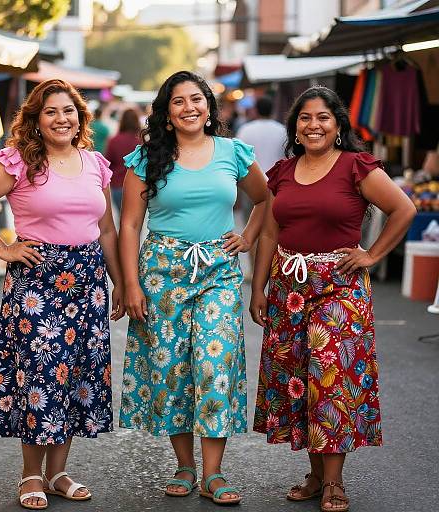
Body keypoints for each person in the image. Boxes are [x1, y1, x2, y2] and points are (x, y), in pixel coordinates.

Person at [0, 79, 124, 510]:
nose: (61, 119)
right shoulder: (17, 162)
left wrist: (120, 280)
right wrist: (2, 248)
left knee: (76, 376)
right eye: (51, 111)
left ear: (80, 117)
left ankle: (58, 473)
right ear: (35, 119)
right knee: (41, 378)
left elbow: (106, 229)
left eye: (68, 111)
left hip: (87, 283)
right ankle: (31, 474)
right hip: (38, 284)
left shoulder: (96, 164)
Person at [250, 86, 416, 512]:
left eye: (323, 117)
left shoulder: (356, 166)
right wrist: (258, 289)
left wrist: (372, 253)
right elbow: (269, 231)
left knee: (330, 381)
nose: (314, 125)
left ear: (338, 124)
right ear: (295, 127)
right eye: (305, 118)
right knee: (301, 382)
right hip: (288, 287)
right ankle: (314, 474)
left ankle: (335, 482)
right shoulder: (283, 172)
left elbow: (404, 209)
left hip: (339, 287)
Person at [118, 70, 267, 505]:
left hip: (219, 271)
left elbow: (266, 199)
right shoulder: (146, 159)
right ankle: (185, 466)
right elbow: (128, 224)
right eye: (178, 101)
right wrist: (130, 284)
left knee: (214, 364)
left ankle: (214, 474)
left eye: (196, 99)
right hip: (161, 272)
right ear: (166, 114)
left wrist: (249, 237)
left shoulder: (233, 152)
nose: (189, 107)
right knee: (172, 371)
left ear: (209, 107)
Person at [236, 95, 286, 278]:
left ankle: (253, 268)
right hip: (278, 186)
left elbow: (239, 160)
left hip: (251, 184)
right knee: (274, 229)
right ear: (272, 109)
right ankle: (271, 268)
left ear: (256, 109)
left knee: (252, 228)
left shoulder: (245, 129)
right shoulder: (282, 130)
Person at [105, 108, 141, 211]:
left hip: (117, 185)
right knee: (135, 221)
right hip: (138, 186)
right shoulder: (140, 142)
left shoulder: (114, 141)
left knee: (122, 220)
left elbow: (108, 163)